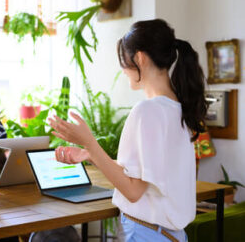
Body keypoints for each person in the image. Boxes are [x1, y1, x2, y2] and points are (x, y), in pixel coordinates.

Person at [50, 19, 207, 242]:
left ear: (139, 58)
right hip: (170, 235)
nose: (122, 69)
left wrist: (90, 144)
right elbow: (144, 178)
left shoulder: (147, 111)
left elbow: (133, 192)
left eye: (123, 61)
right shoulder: (177, 109)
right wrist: (89, 155)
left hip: (145, 233)